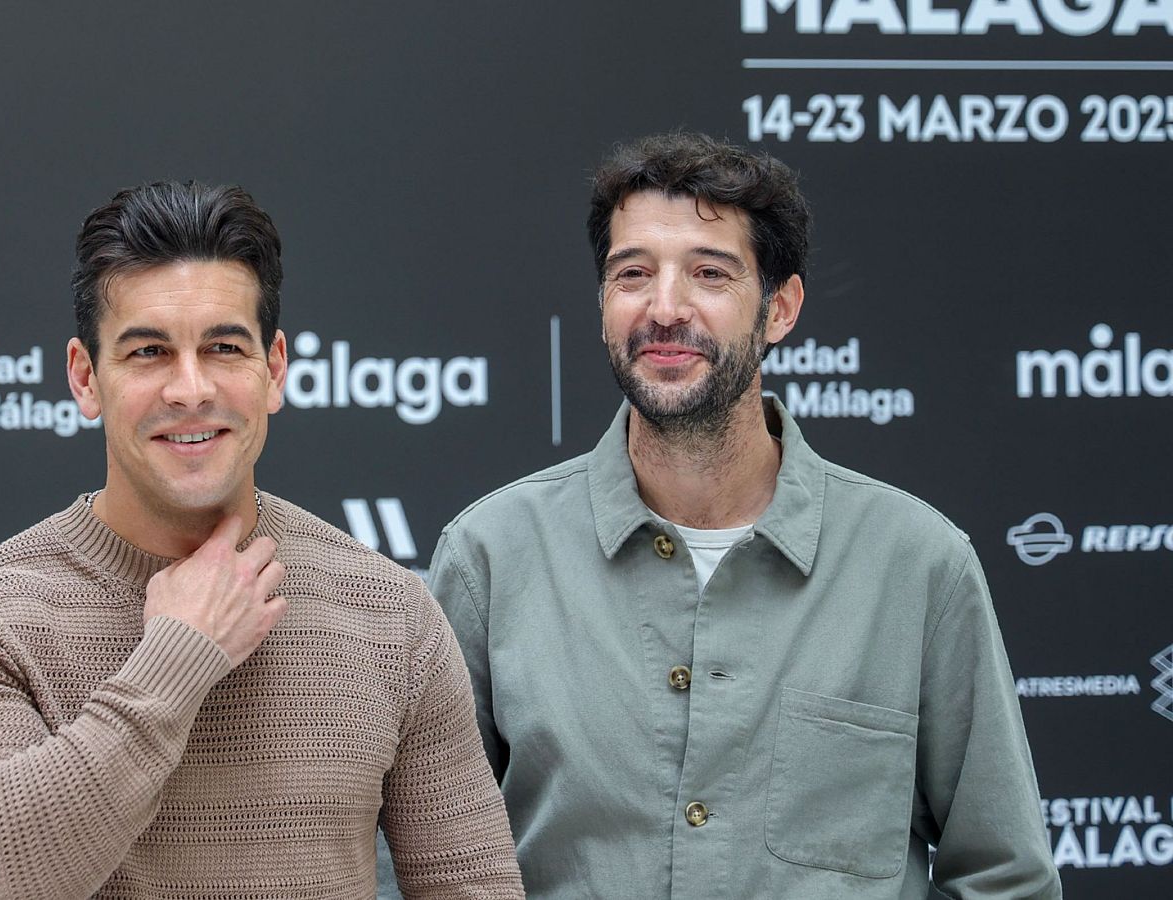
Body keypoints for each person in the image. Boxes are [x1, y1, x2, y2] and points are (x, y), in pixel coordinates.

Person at [429, 134, 1062, 898]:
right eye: (633, 274)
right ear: (602, 303)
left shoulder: (919, 565)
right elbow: (422, 866)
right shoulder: (490, 558)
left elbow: (1004, 878)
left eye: (709, 273)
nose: (665, 309)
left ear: (779, 308)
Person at [0, 181, 523, 899]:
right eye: (149, 353)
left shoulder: (391, 613)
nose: (189, 389)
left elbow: (474, 886)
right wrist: (176, 660)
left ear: (274, 369)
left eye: (223, 347)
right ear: (84, 376)